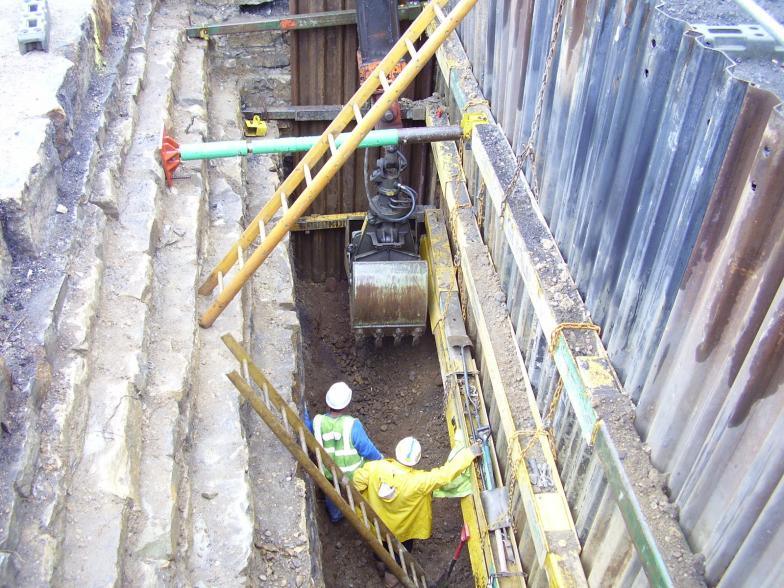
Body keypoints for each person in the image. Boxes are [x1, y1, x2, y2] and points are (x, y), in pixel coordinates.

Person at [352, 436, 481, 587]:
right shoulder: (419, 482)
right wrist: (469, 454)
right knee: (399, 555)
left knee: (380, 544)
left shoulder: (375, 468)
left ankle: (379, 563)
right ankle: (390, 579)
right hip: (401, 532)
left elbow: (357, 481)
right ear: (416, 460)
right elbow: (444, 475)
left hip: (376, 525)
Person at [304, 381, 383, 523]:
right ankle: (364, 513)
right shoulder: (352, 425)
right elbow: (367, 449)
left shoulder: (318, 421)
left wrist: (303, 414)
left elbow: (308, 430)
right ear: (346, 405)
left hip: (328, 471)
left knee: (332, 492)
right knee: (361, 494)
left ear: (327, 403)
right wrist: (380, 459)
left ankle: (336, 515)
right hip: (352, 474)